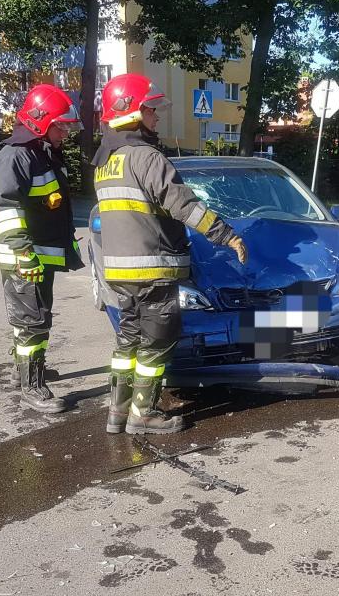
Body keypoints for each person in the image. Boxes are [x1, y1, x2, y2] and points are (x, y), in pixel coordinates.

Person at [93, 73, 247, 434]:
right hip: (152, 270)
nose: (157, 117)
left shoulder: (106, 161)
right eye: (151, 110)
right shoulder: (147, 158)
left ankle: (118, 413)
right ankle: (143, 414)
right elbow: (185, 207)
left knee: (128, 342)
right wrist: (226, 235)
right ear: (131, 114)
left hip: (120, 274)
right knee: (157, 344)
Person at [0, 84, 85, 413]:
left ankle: (32, 368)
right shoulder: (16, 155)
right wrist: (23, 251)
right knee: (32, 321)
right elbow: (4, 208)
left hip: (39, 255)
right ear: (41, 121)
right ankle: (31, 386)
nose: (65, 133)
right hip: (25, 258)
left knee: (37, 317)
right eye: (61, 126)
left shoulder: (42, 152)